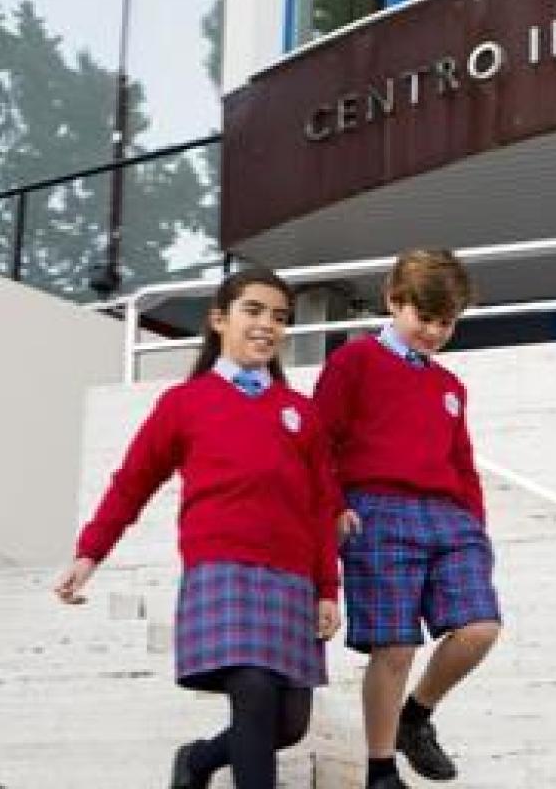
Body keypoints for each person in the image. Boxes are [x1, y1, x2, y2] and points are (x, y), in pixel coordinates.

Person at [54, 267, 341, 789]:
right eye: (253, 311)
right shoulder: (184, 403)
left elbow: (324, 505)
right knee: (252, 688)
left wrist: (327, 589)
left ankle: (199, 761)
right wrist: (89, 553)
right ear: (218, 320)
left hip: (292, 579)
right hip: (223, 570)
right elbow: (132, 483)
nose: (267, 325)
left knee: (289, 724)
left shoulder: (301, 412)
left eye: (279, 317)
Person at [315, 249, 500, 788]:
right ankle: (379, 768)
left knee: (480, 628)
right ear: (395, 301)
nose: (435, 332)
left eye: (447, 323)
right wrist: (333, 504)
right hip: (375, 511)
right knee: (395, 646)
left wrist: (477, 526)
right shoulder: (354, 361)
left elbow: (463, 463)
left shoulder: (450, 388)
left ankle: (415, 716)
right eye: (425, 318)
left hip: (450, 519)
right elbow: (318, 441)